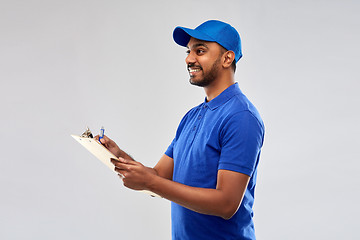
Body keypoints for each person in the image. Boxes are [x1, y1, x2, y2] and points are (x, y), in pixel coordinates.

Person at [97, 20, 265, 240]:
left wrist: (150, 182)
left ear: (227, 58)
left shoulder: (241, 117)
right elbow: (158, 176)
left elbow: (226, 203)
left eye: (200, 50)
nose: (189, 58)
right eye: (188, 51)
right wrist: (118, 155)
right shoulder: (192, 117)